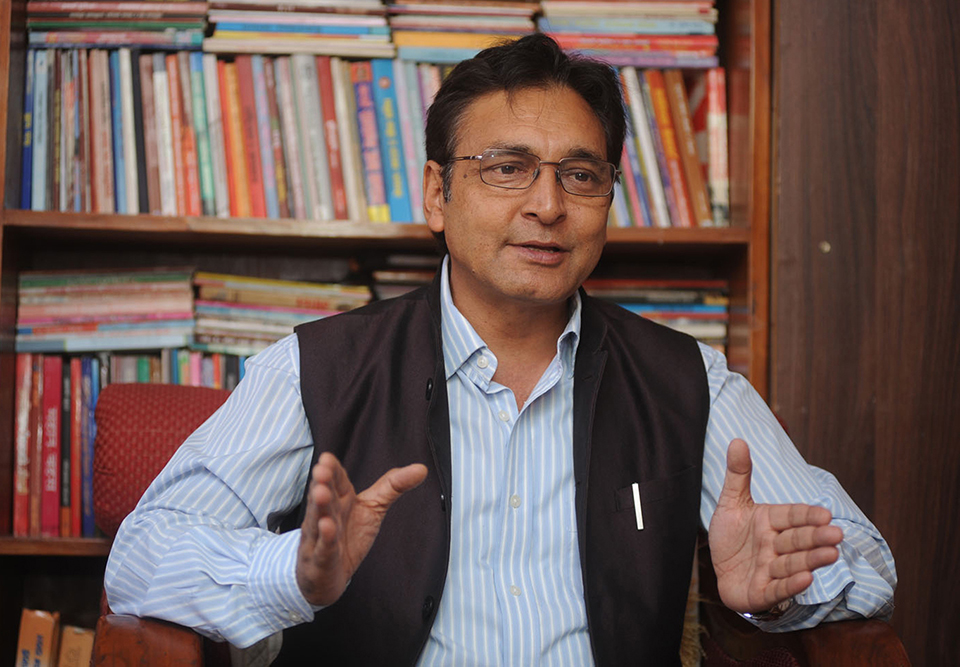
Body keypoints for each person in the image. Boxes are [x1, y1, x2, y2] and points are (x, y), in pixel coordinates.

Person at [104, 34, 896, 666]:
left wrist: (779, 592)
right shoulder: (318, 368)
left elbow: (866, 561)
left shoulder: (689, 381)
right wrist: (292, 572)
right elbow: (141, 556)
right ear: (437, 194)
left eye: (580, 176)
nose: (547, 205)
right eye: (507, 168)